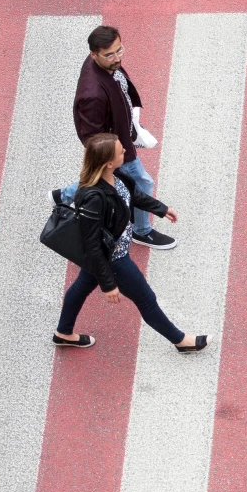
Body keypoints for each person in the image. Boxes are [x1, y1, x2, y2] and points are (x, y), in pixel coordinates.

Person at [53, 133, 207, 353]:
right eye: (120, 151)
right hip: (113, 258)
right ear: (108, 162)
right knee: (146, 299)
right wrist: (108, 285)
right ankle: (181, 341)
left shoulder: (117, 176)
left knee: (80, 287)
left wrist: (161, 209)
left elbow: (133, 195)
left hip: (110, 253)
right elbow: (92, 245)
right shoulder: (93, 198)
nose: (125, 150)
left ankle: (63, 333)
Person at [57, 25, 175, 250]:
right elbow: (92, 137)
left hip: (121, 135)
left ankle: (63, 196)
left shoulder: (103, 63)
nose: (117, 58)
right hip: (117, 147)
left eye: (119, 50)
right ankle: (142, 231)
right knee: (142, 183)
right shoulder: (92, 94)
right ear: (94, 54)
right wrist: (114, 155)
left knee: (108, 180)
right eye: (109, 55)